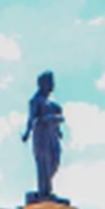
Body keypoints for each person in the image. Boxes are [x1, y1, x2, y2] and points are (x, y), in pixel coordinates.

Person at [22, 71, 64, 201]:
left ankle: (47, 189)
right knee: (43, 163)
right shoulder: (36, 100)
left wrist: (58, 131)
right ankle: (44, 191)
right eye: (50, 82)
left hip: (52, 135)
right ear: (43, 83)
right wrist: (27, 133)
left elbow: (56, 124)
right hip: (41, 135)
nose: (52, 85)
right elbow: (32, 119)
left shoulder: (51, 103)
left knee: (54, 161)